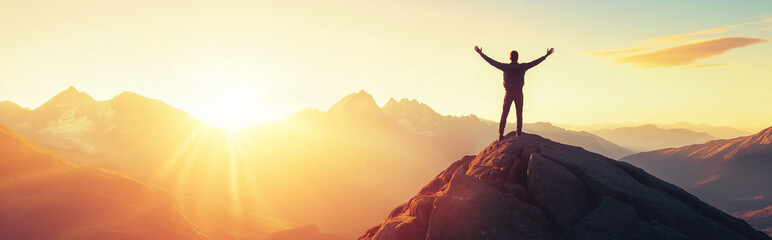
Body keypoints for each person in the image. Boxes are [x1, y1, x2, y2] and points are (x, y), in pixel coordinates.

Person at [475, 46, 554, 140]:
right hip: (519, 93)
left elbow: (492, 62)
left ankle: (500, 135)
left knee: (504, 114)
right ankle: (518, 134)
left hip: (508, 93)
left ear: (510, 58)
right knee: (519, 114)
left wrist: (481, 54)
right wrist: (546, 55)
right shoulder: (522, 67)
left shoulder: (506, 67)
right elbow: (535, 62)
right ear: (518, 57)